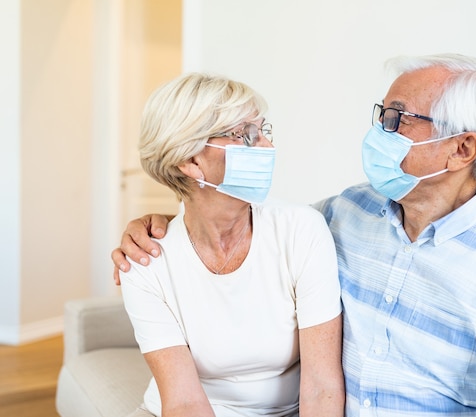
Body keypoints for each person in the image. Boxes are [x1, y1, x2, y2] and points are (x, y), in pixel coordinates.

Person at [113, 54, 476, 416]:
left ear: (461, 149)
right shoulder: (348, 213)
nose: (378, 132)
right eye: (380, 116)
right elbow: (243, 226)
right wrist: (159, 223)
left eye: (396, 120)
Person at [115, 73, 344, 417]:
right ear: (190, 160)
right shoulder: (146, 261)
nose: (267, 147)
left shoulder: (301, 230)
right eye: (246, 136)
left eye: (263, 131)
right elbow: (184, 401)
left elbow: (322, 388)